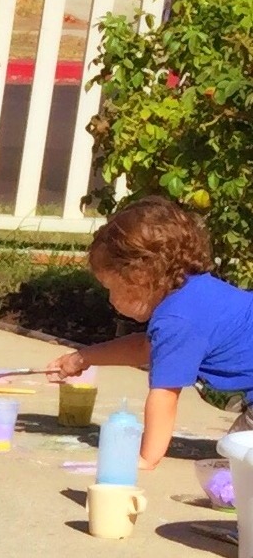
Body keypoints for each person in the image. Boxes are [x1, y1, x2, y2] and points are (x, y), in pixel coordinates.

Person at [47, 196, 253, 469]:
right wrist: (82, 358)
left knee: (236, 464)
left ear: (140, 277)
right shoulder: (194, 293)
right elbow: (146, 348)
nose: (111, 300)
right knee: (234, 458)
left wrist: (146, 457)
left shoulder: (177, 320)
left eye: (112, 288)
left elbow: (165, 395)